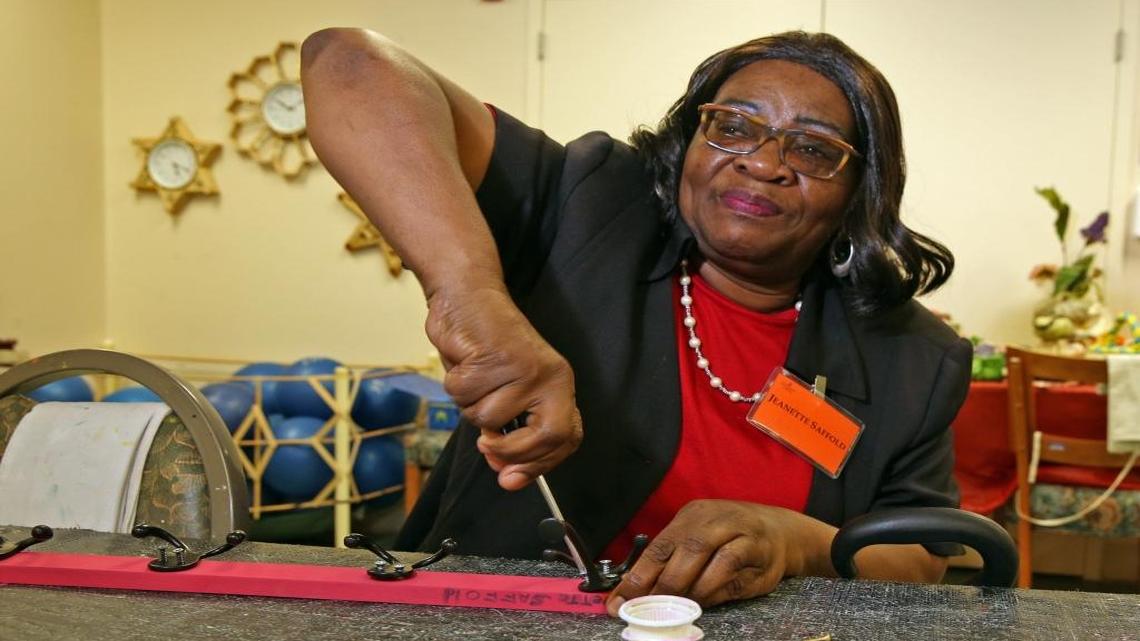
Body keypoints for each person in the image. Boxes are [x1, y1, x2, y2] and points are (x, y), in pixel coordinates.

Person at [300, 28, 972, 614]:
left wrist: (790, 538)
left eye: (814, 150)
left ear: (861, 190)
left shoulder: (912, 356)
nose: (763, 163)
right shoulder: (589, 206)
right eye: (732, 125)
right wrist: (471, 295)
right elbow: (347, 62)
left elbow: (918, 559)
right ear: (689, 143)